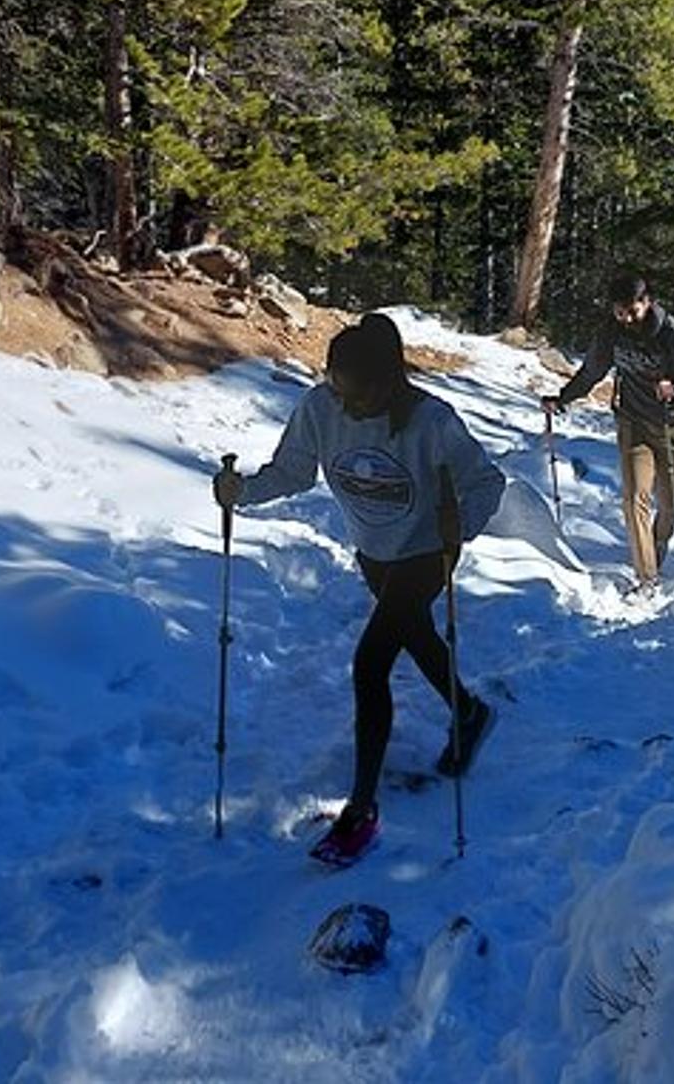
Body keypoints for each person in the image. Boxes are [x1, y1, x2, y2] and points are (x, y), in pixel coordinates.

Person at [213, 312, 504, 863]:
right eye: (335, 388)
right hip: (374, 552)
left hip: (424, 552)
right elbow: (294, 472)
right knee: (415, 637)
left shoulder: (431, 422)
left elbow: (487, 482)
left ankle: (361, 810)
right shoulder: (322, 407)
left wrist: (459, 525)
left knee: (371, 662)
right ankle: (468, 712)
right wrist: (240, 492)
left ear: (388, 382)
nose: (344, 406)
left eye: (357, 396)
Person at [543, 271, 674, 592]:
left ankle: (658, 542)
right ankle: (647, 577)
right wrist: (562, 399)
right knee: (634, 499)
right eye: (620, 312)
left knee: (669, 505)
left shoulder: (672, 333)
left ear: (648, 302)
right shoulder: (611, 333)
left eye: (633, 310)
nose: (627, 318)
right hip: (634, 423)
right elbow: (592, 371)